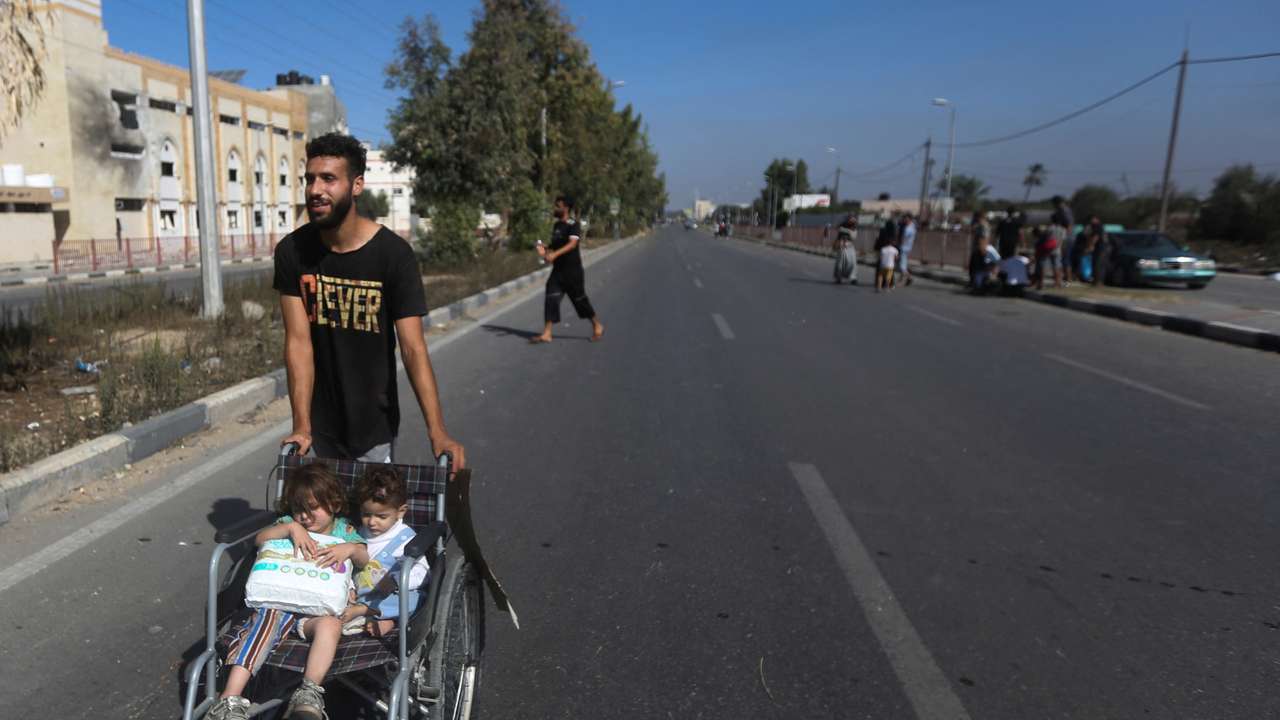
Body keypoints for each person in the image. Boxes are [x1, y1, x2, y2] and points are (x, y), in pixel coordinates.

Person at [274, 133, 465, 466]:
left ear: (356, 185)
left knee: (372, 517)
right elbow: (298, 342)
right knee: (322, 518)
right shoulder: (292, 251)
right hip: (319, 429)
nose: (316, 189)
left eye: (329, 179)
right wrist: (302, 425)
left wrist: (438, 431)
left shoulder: (393, 255)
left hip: (373, 426)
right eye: (310, 179)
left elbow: (413, 347)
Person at [209, 464, 370, 720]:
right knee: (264, 623)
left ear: (335, 505)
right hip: (280, 603)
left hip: (316, 612)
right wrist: (290, 529)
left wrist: (349, 549)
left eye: (312, 508)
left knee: (330, 625)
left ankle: (309, 692)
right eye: (298, 510)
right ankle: (228, 700)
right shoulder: (289, 524)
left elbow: (363, 558)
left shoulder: (344, 530)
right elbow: (260, 539)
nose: (305, 517)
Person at [340, 466, 431, 638]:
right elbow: (347, 567)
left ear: (400, 512)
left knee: (417, 599)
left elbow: (422, 573)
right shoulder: (356, 534)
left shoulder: (406, 538)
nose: (372, 522)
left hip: (392, 596)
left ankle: (377, 615)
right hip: (360, 597)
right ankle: (379, 618)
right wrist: (350, 587)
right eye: (366, 514)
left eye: (381, 517)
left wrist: (396, 582)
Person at [531, 195, 605, 344]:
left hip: (573, 272)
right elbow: (554, 246)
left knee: (580, 301)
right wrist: (544, 250)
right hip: (558, 271)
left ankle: (597, 324)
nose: (555, 208)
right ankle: (547, 333)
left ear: (565, 208)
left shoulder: (573, 224)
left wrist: (554, 254)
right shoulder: (557, 225)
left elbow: (572, 244)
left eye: (558, 206)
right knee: (551, 297)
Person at [832, 214, 858, 285]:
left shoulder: (854, 227)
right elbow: (838, 232)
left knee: (852, 263)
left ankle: (853, 278)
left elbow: (853, 236)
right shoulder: (842, 226)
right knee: (840, 264)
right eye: (851, 219)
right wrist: (836, 244)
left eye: (853, 219)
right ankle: (839, 278)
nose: (852, 221)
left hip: (850, 246)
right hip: (842, 246)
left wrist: (848, 231)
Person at [1088, 215, 1110, 286]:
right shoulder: (1101, 226)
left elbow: (1096, 237)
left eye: (1092, 219)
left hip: (1100, 248)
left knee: (1097, 264)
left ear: (1096, 219)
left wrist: (1091, 245)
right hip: (1103, 248)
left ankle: (1097, 281)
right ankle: (1098, 281)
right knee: (1100, 265)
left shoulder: (1097, 226)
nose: (1091, 221)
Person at [967, 211, 990, 277]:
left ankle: (976, 281)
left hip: (980, 249)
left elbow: (984, 238)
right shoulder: (980, 225)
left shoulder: (983, 226)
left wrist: (982, 249)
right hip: (977, 248)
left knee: (977, 266)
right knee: (974, 266)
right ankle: (974, 280)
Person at [896, 213, 916, 287]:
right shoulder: (911, 226)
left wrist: (898, 245)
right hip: (906, 247)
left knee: (902, 266)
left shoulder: (909, 228)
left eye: (906, 219)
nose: (904, 220)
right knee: (902, 263)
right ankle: (902, 280)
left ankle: (909, 278)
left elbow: (904, 238)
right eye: (904, 219)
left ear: (909, 219)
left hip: (904, 248)